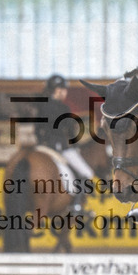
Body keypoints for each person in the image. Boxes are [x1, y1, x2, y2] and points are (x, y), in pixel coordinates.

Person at [35, 74, 96, 214]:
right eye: (64, 90)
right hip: (60, 148)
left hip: (41, 147)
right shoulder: (63, 108)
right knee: (87, 173)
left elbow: (37, 130)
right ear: (58, 90)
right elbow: (71, 132)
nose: (65, 92)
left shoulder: (41, 106)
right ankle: (76, 205)